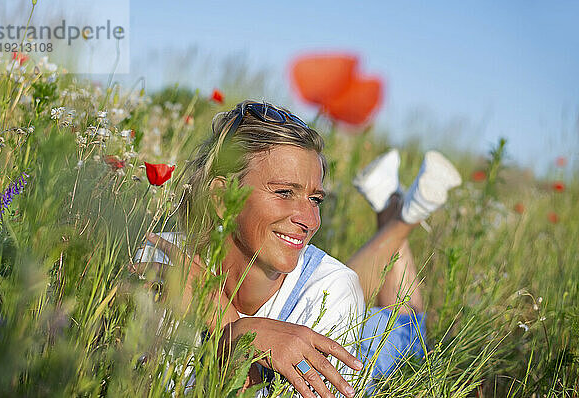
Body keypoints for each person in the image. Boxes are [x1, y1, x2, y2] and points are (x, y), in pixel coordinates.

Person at [132, 100, 461, 397]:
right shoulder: (161, 261)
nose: (310, 220)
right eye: (284, 192)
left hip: (357, 352)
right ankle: (399, 214)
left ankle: (401, 216)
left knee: (407, 330)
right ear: (221, 198)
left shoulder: (333, 290)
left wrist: (228, 322)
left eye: (315, 199)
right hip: (331, 309)